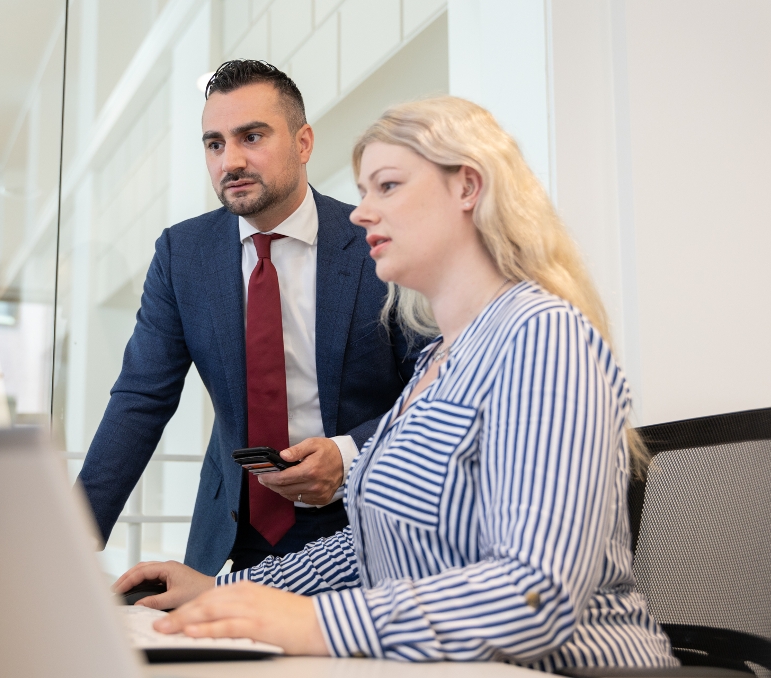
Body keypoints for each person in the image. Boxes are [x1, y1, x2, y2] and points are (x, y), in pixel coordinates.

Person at [112, 96, 679, 670]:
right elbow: (370, 549)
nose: (360, 214)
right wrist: (229, 590)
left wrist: (315, 622)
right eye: (362, 192)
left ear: (467, 188)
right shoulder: (437, 364)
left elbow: (535, 594)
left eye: (386, 187)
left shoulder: (542, 337)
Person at [76, 60, 419, 575]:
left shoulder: (376, 243)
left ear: (303, 144)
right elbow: (140, 398)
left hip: (361, 526)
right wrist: (71, 538)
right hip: (231, 532)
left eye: (251, 137)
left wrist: (350, 455)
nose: (230, 161)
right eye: (214, 144)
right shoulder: (182, 254)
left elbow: (436, 389)